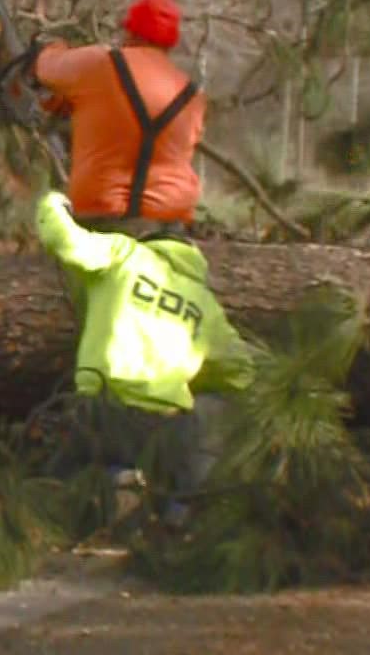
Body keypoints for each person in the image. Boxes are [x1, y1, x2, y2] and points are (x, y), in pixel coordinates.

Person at [31, 187, 254, 507]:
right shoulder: (205, 303)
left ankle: (115, 484)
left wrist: (53, 202)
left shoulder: (124, 255)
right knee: (180, 497)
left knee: (58, 488)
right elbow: (241, 372)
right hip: (170, 424)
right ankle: (171, 524)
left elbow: (64, 239)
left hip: (107, 410)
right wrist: (180, 378)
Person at [31, 0, 205, 240]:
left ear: (130, 31)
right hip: (169, 224)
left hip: (103, 219)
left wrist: (52, 46)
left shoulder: (100, 64)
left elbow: (44, 67)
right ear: (171, 41)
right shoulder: (193, 95)